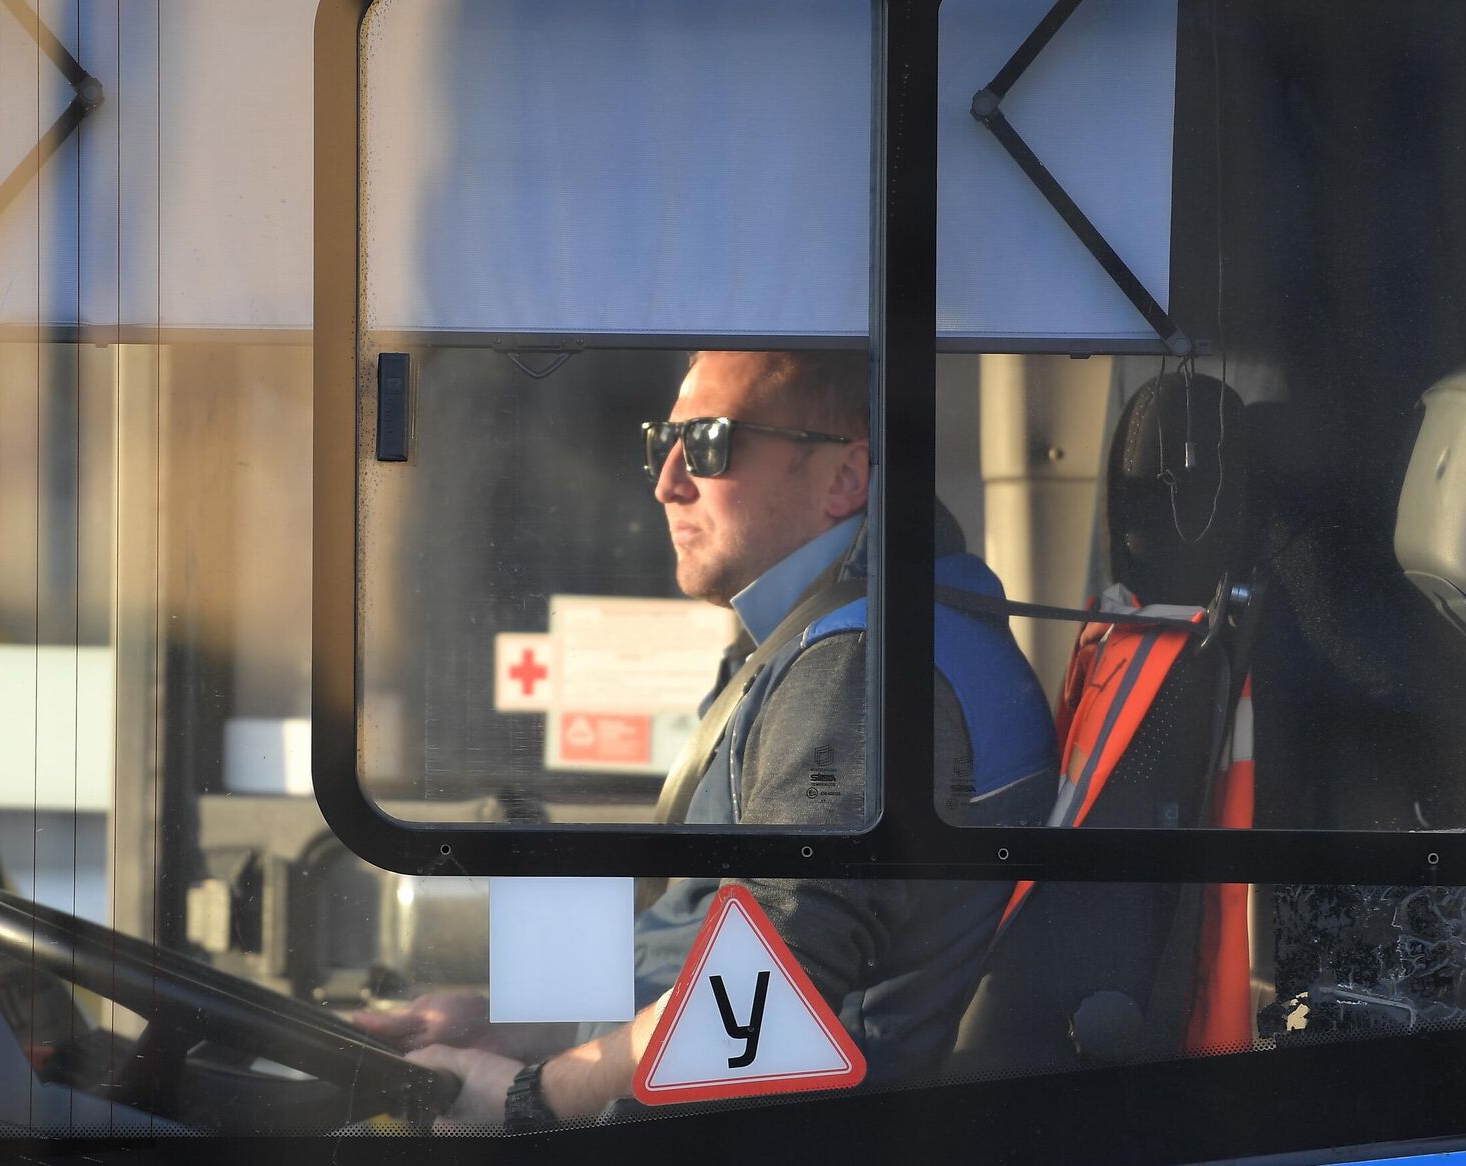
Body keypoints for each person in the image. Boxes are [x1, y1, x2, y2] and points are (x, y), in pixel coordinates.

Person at [352, 350, 1057, 1126]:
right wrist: (509, 1030)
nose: (667, 482)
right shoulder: (824, 636)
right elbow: (700, 945)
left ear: (845, 477)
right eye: (664, 442)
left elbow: (755, 1006)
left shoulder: (856, 673)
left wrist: (529, 1096)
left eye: (711, 444)